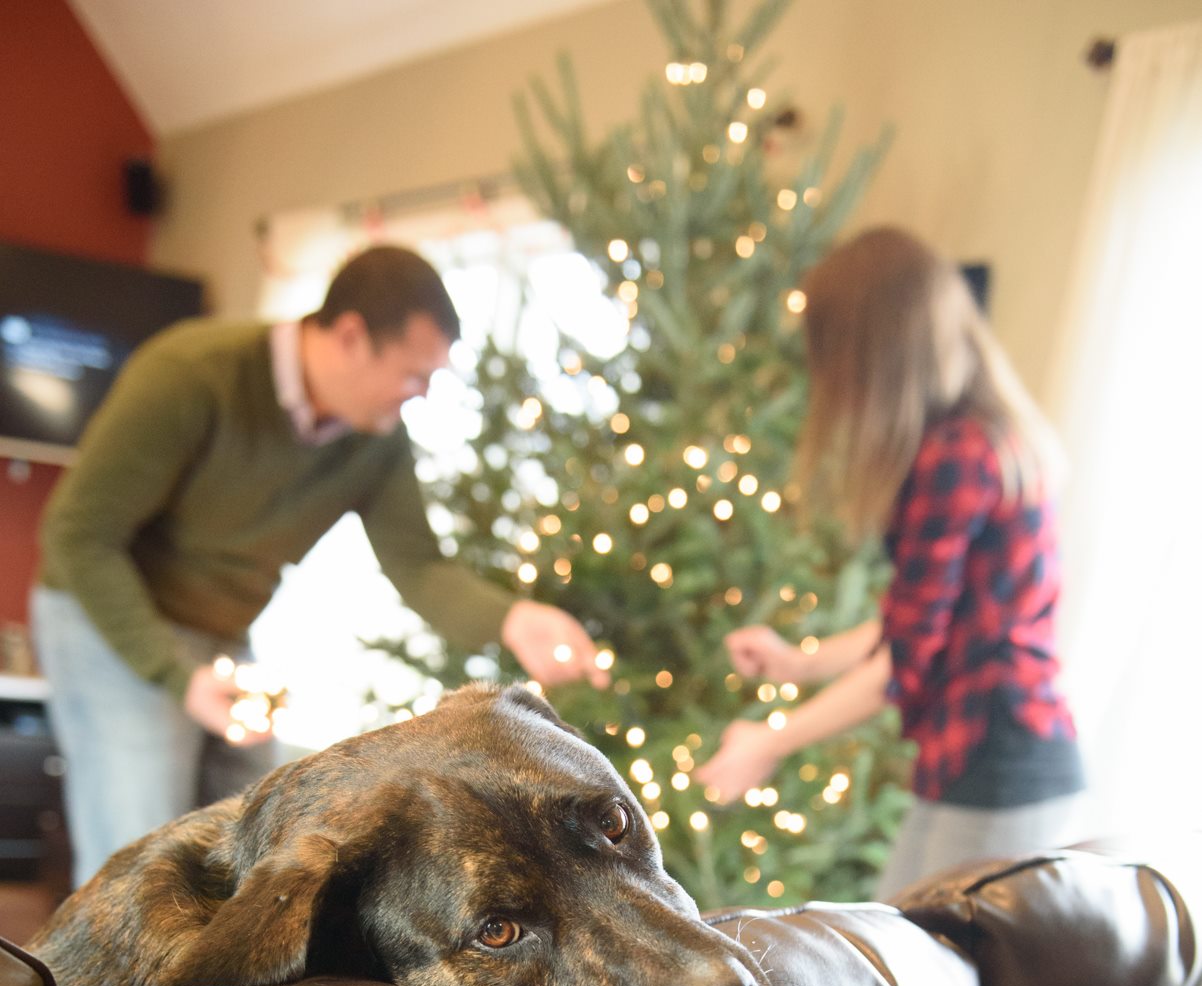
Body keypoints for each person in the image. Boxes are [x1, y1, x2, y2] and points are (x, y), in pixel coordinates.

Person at [33, 244, 604, 885]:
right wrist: (175, 673)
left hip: (219, 636)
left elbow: (418, 566)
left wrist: (514, 619)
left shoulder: (376, 440)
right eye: (414, 375)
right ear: (352, 335)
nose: (419, 396)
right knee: (137, 852)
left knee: (250, 832)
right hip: (109, 616)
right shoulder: (194, 374)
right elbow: (79, 537)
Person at [696, 227, 1086, 897]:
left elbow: (902, 665)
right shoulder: (983, 437)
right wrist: (801, 662)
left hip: (998, 766)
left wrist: (771, 741)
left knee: (939, 975)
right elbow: (919, 624)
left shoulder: (956, 456)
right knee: (907, 946)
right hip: (978, 761)